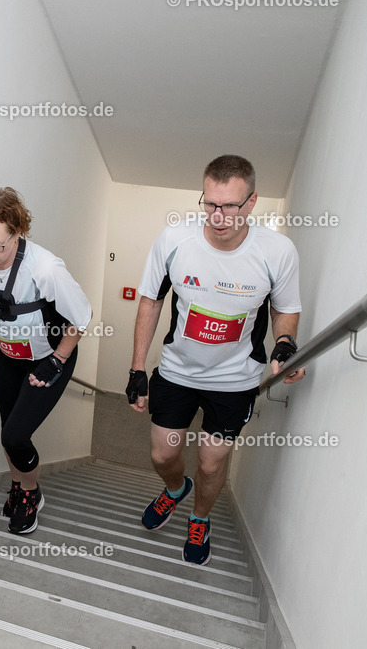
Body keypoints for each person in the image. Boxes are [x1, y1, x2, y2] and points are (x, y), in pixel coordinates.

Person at [126, 155, 305, 565]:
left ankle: (200, 518)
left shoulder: (277, 251)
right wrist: (137, 367)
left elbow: (286, 307)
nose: (219, 215)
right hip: (176, 372)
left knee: (210, 463)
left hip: (235, 380)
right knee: (163, 455)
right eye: (210, 203)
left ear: (252, 202)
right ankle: (174, 490)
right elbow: (151, 301)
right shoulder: (174, 240)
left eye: (230, 206)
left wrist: (284, 341)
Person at [0, 187, 92, 535]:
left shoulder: (45, 268)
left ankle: (30, 493)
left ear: (18, 232)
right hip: (6, 354)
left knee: (15, 436)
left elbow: (82, 318)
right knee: (6, 432)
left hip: (47, 358)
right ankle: (19, 485)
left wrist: (57, 361)